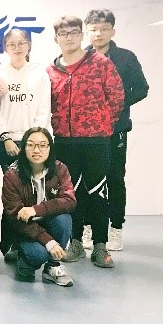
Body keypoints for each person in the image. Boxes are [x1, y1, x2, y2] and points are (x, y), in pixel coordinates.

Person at [47, 16, 124, 268]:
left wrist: (102, 125)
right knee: (71, 193)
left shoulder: (100, 63)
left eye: (73, 32)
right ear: (56, 38)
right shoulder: (51, 71)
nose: (69, 37)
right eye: (63, 34)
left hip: (96, 141)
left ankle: (100, 245)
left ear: (81, 35)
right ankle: (76, 241)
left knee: (98, 191)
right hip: (64, 141)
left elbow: (116, 97)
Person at [85, 9, 149, 252]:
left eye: (104, 28)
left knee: (114, 178)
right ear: (87, 31)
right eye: (93, 29)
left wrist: (117, 104)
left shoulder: (125, 57)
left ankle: (116, 228)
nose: (98, 33)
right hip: (87, 131)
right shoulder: (81, 57)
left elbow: (142, 88)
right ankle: (87, 227)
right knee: (87, 179)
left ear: (113, 30)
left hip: (116, 128)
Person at [1, 126, 76, 287]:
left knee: (63, 219)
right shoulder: (12, 175)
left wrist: (36, 209)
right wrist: (49, 242)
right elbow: (14, 217)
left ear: (50, 148)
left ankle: (53, 266)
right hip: (24, 229)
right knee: (38, 255)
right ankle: (21, 255)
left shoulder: (60, 169)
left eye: (42, 145)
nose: (36, 150)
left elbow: (69, 201)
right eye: (30, 145)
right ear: (23, 148)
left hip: (49, 223)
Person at [0, 28, 51, 172]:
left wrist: (33, 140)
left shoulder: (39, 73)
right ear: (5, 48)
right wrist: (5, 137)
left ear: (29, 45)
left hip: (34, 142)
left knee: (33, 181)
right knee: (9, 182)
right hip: (6, 142)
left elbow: (44, 109)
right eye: (12, 44)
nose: (17, 48)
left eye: (21, 43)